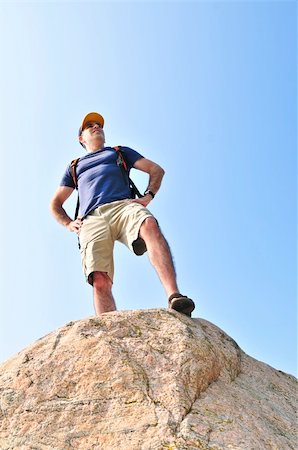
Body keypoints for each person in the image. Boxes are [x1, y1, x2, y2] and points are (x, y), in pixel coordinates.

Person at [50, 112, 195, 317]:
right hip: (92, 218)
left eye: (98, 124)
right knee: (99, 278)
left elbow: (156, 170)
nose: (96, 127)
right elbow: (55, 203)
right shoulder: (74, 167)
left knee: (149, 225)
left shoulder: (119, 152)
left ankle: (174, 296)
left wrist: (148, 196)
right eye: (89, 126)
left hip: (123, 206)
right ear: (81, 138)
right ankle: (109, 328)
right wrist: (68, 223)